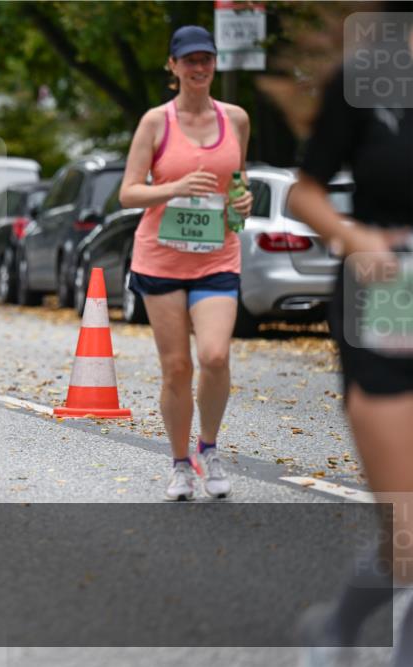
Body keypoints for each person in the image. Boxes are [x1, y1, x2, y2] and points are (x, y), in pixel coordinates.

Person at [289, 17, 412, 666]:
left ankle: (335, 624)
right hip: (387, 304)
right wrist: (360, 239)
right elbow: (303, 194)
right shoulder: (369, 79)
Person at [118, 25, 253, 501]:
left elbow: (238, 180)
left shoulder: (235, 118)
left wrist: (243, 204)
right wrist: (173, 188)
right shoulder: (156, 122)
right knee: (176, 368)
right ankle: (180, 464)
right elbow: (129, 191)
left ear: (214, 64)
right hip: (160, 257)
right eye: (189, 60)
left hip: (217, 254)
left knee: (215, 355)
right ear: (172, 67)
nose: (199, 68)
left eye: (206, 59)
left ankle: (208, 448)